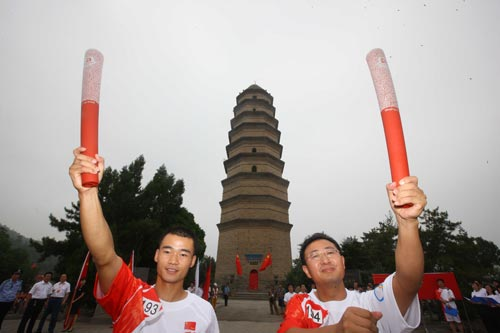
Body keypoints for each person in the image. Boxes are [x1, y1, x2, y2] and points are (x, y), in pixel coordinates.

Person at [69, 147, 219, 333]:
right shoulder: (131, 296)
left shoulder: (205, 311)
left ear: (192, 261)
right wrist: (88, 193)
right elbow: (104, 257)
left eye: (183, 254)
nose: (173, 260)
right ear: (156, 255)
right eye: (167, 251)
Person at [278, 176, 426, 333]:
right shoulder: (301, 303)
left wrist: (407, 223)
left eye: (330, 252)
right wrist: (337, 330)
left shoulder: (371, 301)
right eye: (315, 255)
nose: (325, 259)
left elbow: (408, 280)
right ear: (306, 270)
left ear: (343, 262)